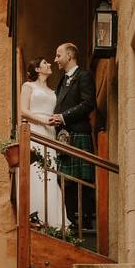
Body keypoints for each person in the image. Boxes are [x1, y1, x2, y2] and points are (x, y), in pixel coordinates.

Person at [49, 43, 96, 230]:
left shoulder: (84, 76)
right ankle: (70, 220)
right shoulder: (61, 81)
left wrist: (63, 117)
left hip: (78, 133)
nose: (55, 59)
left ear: (69, 55)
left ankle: (84, 220)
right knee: (65, 181)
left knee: (81, 181)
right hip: (64, 136)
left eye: (58, 55)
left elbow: (87, 104)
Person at [20, 57, 68, 231]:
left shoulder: (53, 91)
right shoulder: (28, 86)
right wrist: (43, 121)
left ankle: (53, 220)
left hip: (50, 132)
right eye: (45, 63)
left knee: (50, 173)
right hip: (35, 130)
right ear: (38, 69)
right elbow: (23, 110)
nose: (49, 65)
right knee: (35, 171)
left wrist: (52, 122)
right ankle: (35, 215)